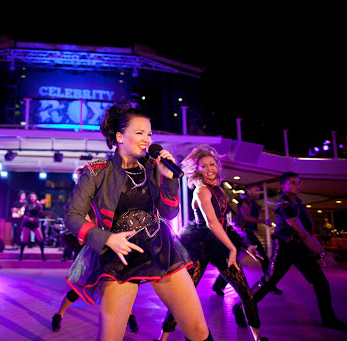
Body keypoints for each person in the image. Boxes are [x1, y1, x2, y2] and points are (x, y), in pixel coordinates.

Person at [64, 104, 211, 341]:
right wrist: (107, 238)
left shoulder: (154, 168)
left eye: (150, 134)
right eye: (140, 133)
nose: (147, 139)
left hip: (161, 250)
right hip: (120, 256)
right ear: (120, 137)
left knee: (198, 330)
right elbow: (71, 215)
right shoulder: (96, 172)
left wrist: (169, 179)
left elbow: (170, 213)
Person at [156, 145, 268, 341]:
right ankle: (163, 337)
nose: (209, 169)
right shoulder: (201, 190)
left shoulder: (219, 188)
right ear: (197, 169)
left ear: (218, 165)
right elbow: (212, 222)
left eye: (212, 164)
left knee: (246, 293)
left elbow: (225, 222)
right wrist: (232, 248)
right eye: (203, 166)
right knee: (185, 295)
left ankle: (258, 338)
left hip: (220, 241)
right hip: (201, 244)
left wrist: (244, 245)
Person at [233, 172, 347, 332]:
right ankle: (239, 307)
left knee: (320, 281)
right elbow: (301, 232)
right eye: (293, 183)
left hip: (300, 247)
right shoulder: (285, 205)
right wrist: (321, 254)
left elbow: (309, 234)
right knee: (269, 282)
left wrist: (323, 252)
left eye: (299, 182)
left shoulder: (298, 204)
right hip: (285, 248)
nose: (297, 185)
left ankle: (329, 318)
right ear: (283, 186)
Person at [51, 166, 139, 334]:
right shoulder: (79, 201)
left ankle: (129, 317)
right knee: (79, 288)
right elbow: (80, 224)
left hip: (112, 248)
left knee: (119, 285)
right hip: (93, 249)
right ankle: (59, 315)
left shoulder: (105, 196)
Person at [211, 184, 283, 296]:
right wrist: (263, 221)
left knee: (263, 259)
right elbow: (246, 217)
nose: (259, 193)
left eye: (259, 191)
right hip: (242, 233)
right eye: (256, 190)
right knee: (237, 260)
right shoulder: (245, 202)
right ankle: (218, 286)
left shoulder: (253, 203)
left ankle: (270, 284)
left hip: (248, 233)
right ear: (249, 191)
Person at [18, 192, 46, 261]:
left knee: (40, 238)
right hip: (27, 223)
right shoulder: (26, 205)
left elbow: (40, 214)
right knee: (24, 239)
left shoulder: (38, 205)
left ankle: (42, 255)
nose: (32, 198)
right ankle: (20, 255)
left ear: (36, 198)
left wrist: (34, 218)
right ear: (29, 198)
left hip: (34, 223)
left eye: (34, 196)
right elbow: (23, 215)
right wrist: (28, 218)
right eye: (31, 197)